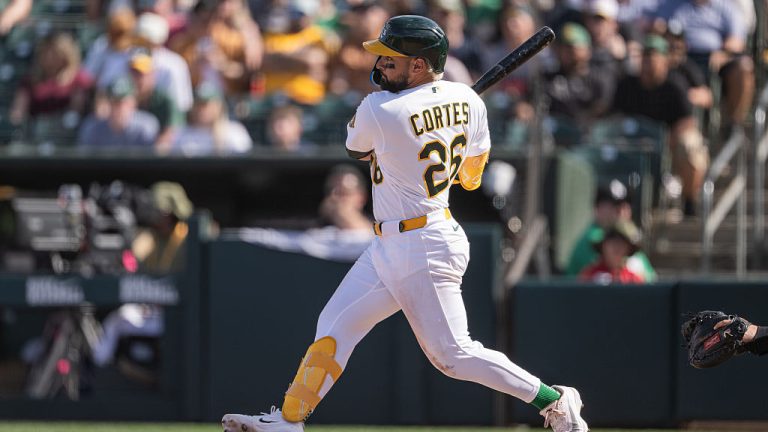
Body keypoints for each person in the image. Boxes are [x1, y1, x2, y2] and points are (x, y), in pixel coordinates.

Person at [221, 15, 588, 432]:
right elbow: (470, 178)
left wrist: (425, 123)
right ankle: (287, 422)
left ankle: (555, 400)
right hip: (391, 244)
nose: (379, 67)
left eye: (390, 61)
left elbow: (356, 150)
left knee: (453, 356)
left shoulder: (379, 107)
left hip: (424, 244)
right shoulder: (469, 102)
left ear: (419, 65)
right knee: (334, 328)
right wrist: (451, 117)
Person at [611, 34, 708, 216]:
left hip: (668, 142)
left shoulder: (675, 84)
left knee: (690, 145)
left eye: (654, 56)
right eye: (645, 56)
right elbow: (615, 117)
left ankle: (689, 199)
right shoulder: (628, 84)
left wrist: (666, 140)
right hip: (634, 143)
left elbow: (688, 122)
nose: (649, 61)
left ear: (665, 60)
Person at [566, 180, 656, 281]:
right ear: (598, 208)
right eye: (613, 207)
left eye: (623, 206)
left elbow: (649, 277)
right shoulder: (592, 238)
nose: (620, 212)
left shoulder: (628, 234)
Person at [170, 82, 253, 155]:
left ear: (219, 106)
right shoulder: (181, 133)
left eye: (206, 104)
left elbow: (245, 162)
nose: (201, 109)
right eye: (198, 104)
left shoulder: (234, 132)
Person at [77, 75, 160, 148]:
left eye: (121, 102)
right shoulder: (92, 128)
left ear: (133, 103)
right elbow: (85, 163)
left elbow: (151, 162)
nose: (117, 107)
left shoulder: (145, 127)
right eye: (113, 102)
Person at [129, 52, 184, 151]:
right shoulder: (125, 99)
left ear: (153, 75)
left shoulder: (165, 100)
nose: (138, 79)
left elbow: (170, 134)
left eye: (141, 74)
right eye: (134, 73)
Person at [579, 220, 646, 284]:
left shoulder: (633, 280)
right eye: (612, 242)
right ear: (603, 246)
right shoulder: (589, 276)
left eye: (621, 243)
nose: (616, 247)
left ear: (628, 249)